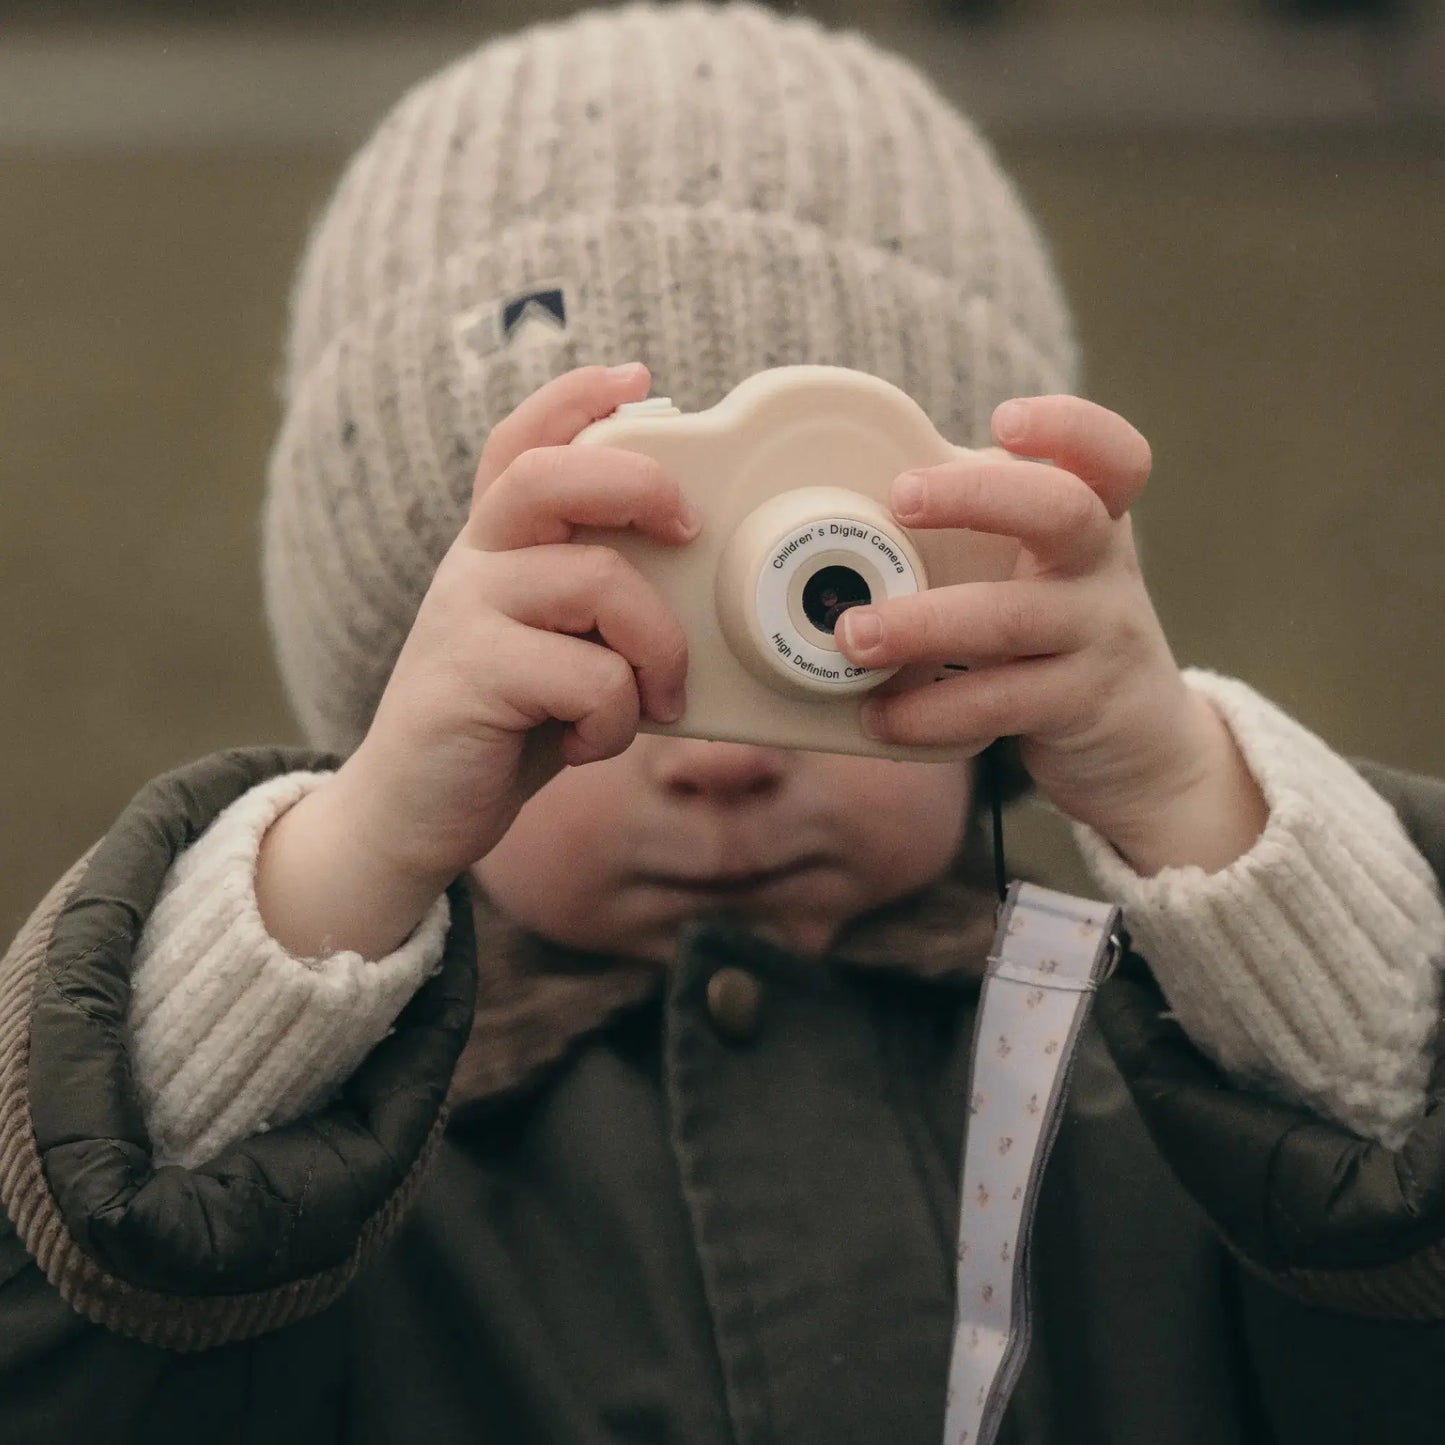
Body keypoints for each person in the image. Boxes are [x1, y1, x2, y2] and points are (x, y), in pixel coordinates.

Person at [2, 4, 1443, 1441]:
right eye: (594, 647)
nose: (731, 761)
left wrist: (1199, 808)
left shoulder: (1164, 1086)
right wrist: (338, 871)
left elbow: (1391, 1221)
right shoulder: (327, 1169)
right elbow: (85, 1303)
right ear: (409, 704)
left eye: (827, 611)